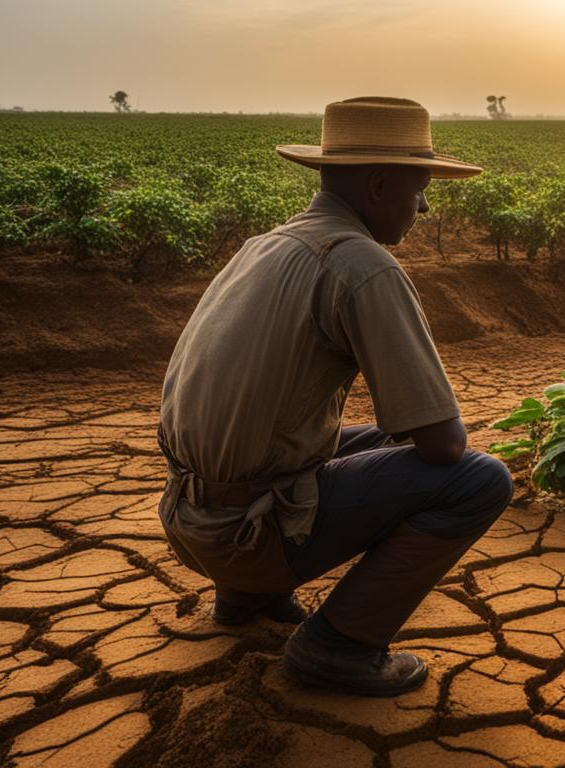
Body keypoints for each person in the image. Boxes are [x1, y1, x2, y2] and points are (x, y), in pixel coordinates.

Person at [156, 97, 513, 697]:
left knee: (365, 441)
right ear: (377, 185)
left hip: (187, 519)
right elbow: (444, 443)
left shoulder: (263, 245)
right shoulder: (361, 265)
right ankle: (339, 646)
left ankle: (246, 597)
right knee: (478, 479)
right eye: (420, 188)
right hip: (248, 535)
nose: (424, 206)